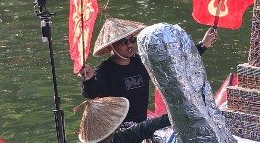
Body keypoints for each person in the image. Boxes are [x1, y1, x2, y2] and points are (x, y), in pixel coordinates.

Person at [80, 19, 217, 124]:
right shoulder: (105, 70)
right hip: (118, 128)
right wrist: (89, 79)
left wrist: (203, 45)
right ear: (112, 46)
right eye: (123, 42)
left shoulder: (140, 62)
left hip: (141, 123)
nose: (129, 45)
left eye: (132, 40)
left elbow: (173, 63)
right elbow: (91, 92)